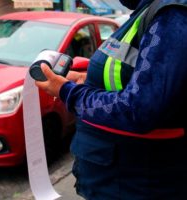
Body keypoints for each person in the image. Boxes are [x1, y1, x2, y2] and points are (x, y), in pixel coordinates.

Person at [35, 0, 187, 199]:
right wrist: (86, 79)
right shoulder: (147, 10)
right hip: (110, 174)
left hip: (134, 183)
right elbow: (134, 74)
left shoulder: (173, 14)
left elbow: (138, 109)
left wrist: (67, 92)